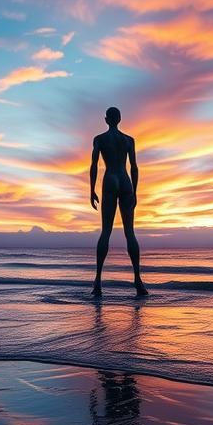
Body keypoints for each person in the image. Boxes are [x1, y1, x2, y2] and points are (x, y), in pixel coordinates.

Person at [89, 107, 147, 297]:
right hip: (125, 180)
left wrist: (91, 190)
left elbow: (94, 165)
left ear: (106, 120)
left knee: (106, 231)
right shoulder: (128, 140)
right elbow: (134, 167)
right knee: (130, 232)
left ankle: (98, 282)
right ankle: (138, 280)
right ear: (120, 119)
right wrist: (135, 191)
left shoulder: (100, 139)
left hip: (110, 179)